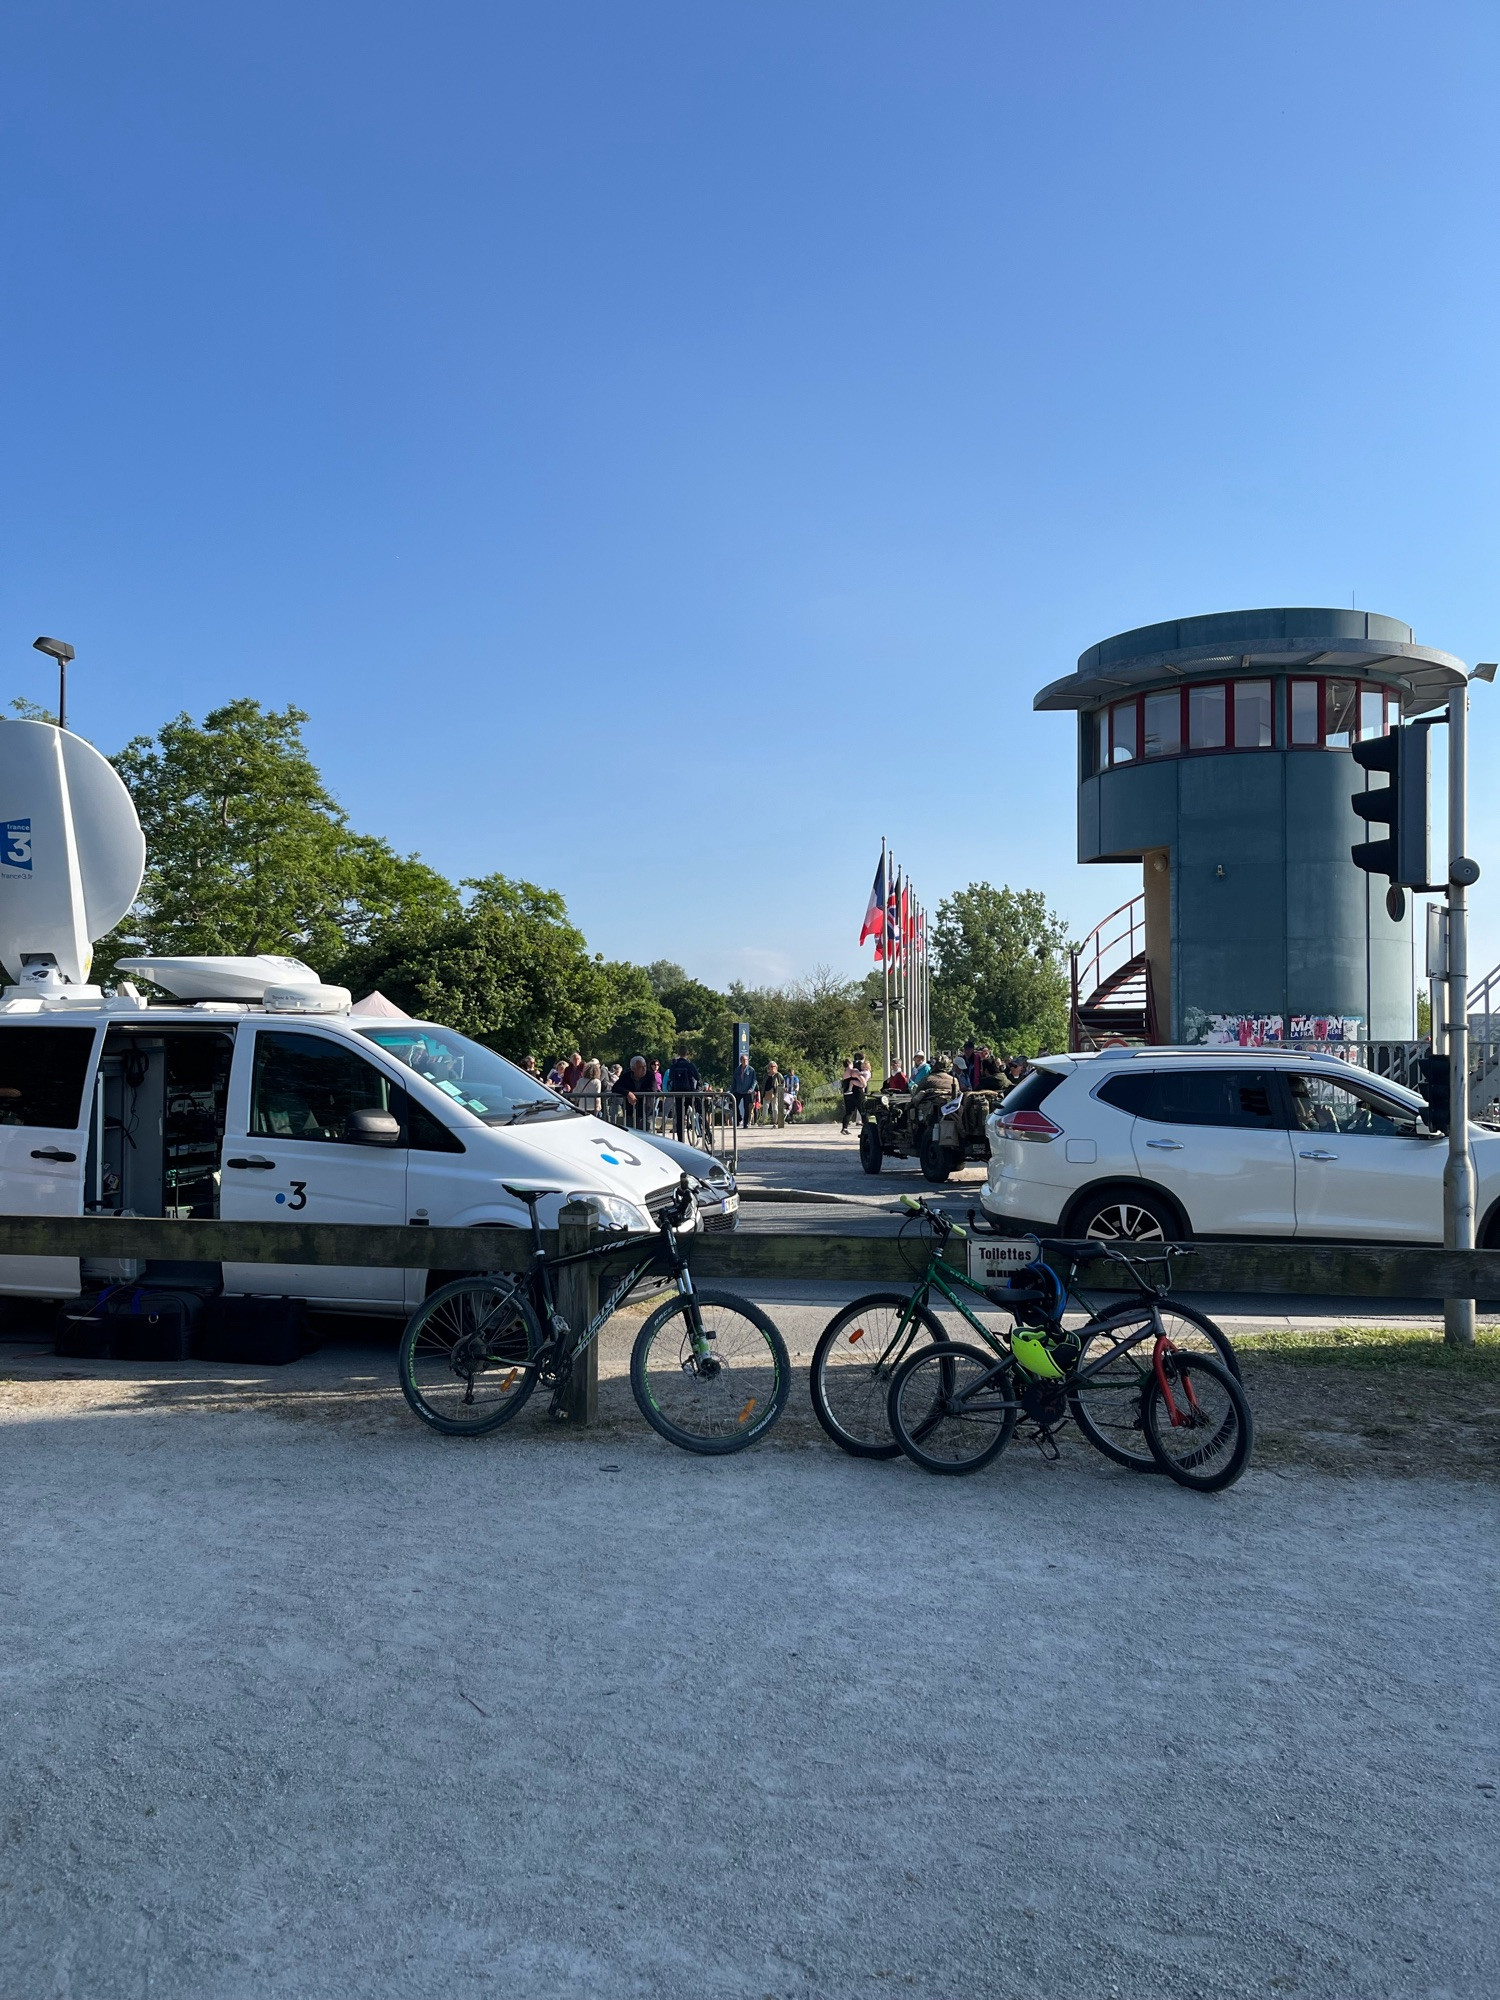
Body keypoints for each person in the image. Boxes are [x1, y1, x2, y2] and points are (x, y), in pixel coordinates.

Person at [664, 1045, 702, 1139]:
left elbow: (671, 1078)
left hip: (678, 1094)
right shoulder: (689, 1065)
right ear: (687, 1053)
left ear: (678, 1053)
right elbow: (697, 1077)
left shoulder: (674, 1066)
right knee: (700, 1111)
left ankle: (681, 1140)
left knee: (680, 1118)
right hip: (690, 1093)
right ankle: (706, 1130)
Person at [612, 1054, 654, 1129]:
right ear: (633, 1068)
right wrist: (628, 1093)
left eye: (645, 1066)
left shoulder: (650, 1075)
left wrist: (635, 1096)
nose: (644, 1069)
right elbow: (615, 1087)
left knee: (646, 1136)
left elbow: (653, 1090)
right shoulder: (627, 1076)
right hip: (630, 1112)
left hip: (646, 1112)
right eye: (640, 1067)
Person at [840, 1051, 872, 1134]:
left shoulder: (845, 1072)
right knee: (863, 1109)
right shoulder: (855, 1070)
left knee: (849, 1111)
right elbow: (861, 1078)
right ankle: (868, 1128)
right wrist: (864, 1084)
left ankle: (844, 1128)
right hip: (857, 1091)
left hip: (847, 1092)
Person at [733, 1054, 757, 1128]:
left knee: (746, 1108)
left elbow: (754, 1081)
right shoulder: (737, 1069)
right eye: (743, 1060)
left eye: (746, 1060)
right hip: (738, 1090)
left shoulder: (751, 1070)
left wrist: (751, 1089)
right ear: (741, 1061)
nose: (745, 1061)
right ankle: (739, 1119)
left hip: (747, 1091)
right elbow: (734, 1080)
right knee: (735, 1105)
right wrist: (732, 1090)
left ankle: (745, 1123)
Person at [760, 1060, 785, 1128]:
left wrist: (781, 1090)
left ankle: (775, 1122)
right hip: (766, 1093)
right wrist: (762, 1093)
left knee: (775, 1108)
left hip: (775, 1093)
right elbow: (763, 1084)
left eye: (774, 1066)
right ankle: (763, 1122)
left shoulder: (778, 1075)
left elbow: (783, 1083)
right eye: (771, 1066)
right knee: (765, 1108)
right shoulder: (766, 1075)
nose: (772, 1067)